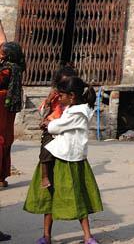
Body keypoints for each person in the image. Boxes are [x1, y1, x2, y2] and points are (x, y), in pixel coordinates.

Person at [24, 76, 103, 244]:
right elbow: (51, 118)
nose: (59, 98)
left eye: (61, 95)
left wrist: (48, 125)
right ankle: (47, 236)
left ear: (72, 95)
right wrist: (49, 120)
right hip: (60, 154)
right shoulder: (72, 108)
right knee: (51, 197)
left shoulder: (78, 113)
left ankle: (87, 236)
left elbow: (56, 127)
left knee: (77, 197)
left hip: (69, 159)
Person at [37, 65, 78, 190]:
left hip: (67, 130)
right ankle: (45, 176)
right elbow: (42, 113)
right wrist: (49, 100)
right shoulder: (54, 96)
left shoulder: (74, 98)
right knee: (46, 149)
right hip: (51, 129)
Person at [0, 24, 24, 190]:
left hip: (1, 105)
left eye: (2, 53)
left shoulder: (6, 71)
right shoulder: (15, 68)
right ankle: (2, 177)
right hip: (8, 109)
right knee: (6, 140)